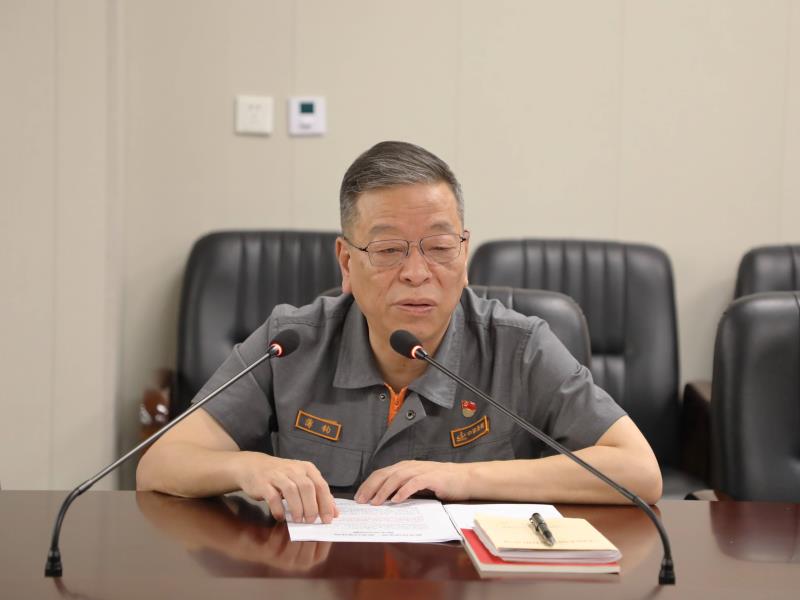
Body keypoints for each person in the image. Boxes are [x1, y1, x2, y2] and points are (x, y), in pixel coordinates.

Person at [136, 141, 662, 524]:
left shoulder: (518, 346)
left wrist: (464, 479)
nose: (416, 273)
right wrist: (247, 468)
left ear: (464, 254)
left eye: (440, 247)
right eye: (389, 250)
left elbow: (638, 470)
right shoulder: (292, 342)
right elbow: (160, 464)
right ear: (347, 262)